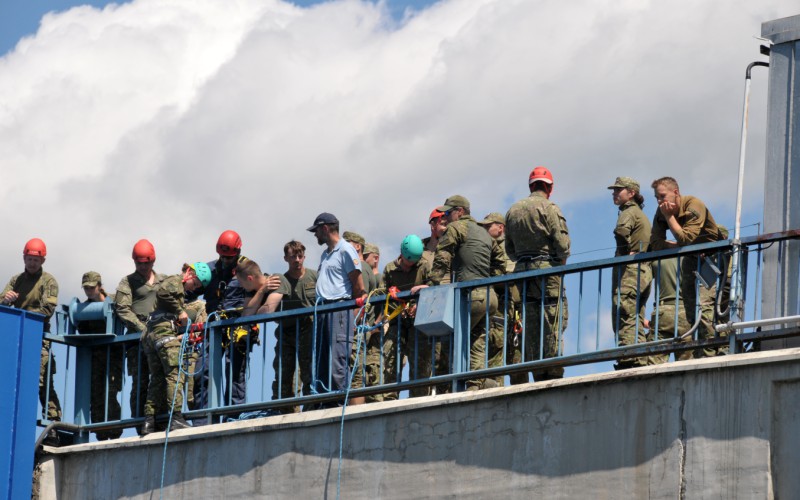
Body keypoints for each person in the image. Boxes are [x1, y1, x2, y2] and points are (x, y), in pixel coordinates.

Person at [425, 195, 506, 390]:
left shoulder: (457, 227)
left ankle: (451, 387)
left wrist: (431, 285)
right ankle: (474, 384)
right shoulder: (484, 232)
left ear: (460, 212)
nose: (445, 217)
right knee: (478, 339)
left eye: (448, 212)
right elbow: (501, 264)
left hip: (469, 295)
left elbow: (443, 257)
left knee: (452, 340)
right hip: (489, 297)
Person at [505, 166, 570, 381]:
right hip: (547, 273)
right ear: (549, 187)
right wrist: (559, 260)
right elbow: (562, 246)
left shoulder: (513, 210)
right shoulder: (549, 207)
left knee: (530, 324)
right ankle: (552, 372)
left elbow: (510, 250)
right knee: (552, 321)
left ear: (531, 186)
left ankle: (537, 371)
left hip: (523, 273)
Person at [649, 177, 726, 358]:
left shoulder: (693, 204)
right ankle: (700, 351)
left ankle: (713, 352)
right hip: (692, 258)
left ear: (675, 193)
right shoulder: (662, 211)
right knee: (691, 308)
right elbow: (656, 243)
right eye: (656, 198)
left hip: (712, 258)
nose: (660, 201)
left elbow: (686, 239)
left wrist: (670, 218)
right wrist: (678, 247)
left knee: (706, 308)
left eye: (662, 196)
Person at [140, 262, 211, 436]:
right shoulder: (175, 281)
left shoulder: (176, 286)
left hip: (151, 333)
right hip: (163, 330)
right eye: (194, 284)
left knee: (157, 378)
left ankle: (149, 421)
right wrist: (181, 311)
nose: (192, 289)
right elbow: (162, 292)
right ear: (190, 275)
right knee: (175, 374)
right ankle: (176, 417)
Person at [2, 238, 61, 442]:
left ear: (42, 260)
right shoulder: (16, 280)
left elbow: (48, 309)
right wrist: (5, 300)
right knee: (11, 381)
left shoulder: (48, 282)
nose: (32, 263)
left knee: (42, 382)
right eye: (29, 259)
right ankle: (11, 421)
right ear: (24, 258)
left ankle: (53, 425)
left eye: (36, 259)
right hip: (16, 337)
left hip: (37, 338)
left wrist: (23, 313)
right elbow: (1, 302)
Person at [193, 230, 253, 424]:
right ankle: (202, 419)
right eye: (223, 256)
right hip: (213, 329)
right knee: (203, 370)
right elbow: (189, 291)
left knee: (235, 371)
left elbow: (262, 285)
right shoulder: (209, 271)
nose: (226, 260)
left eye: (230, 257)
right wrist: (186, 281)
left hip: (237, 329)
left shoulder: (247, 269)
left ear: (238, 252)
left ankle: (233, 417)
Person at [307, 213, 366, 404]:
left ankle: (339, 404)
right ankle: (325, 403)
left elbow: (359, 287)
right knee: (322, 362)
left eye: (316, 231)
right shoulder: (326, 254)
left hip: (339, 308)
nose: (315, 235)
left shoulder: (345, 250)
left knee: (337, 361)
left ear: (325, 228)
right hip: (324, 310)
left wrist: (352, 316)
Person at [366, 234, 432, 401]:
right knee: (391, 361)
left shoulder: (424, 266)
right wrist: (389, 295)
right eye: (408, 262)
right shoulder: (390, 269)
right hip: (396, 322)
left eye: (413, 263)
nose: (410, 266)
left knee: (420, 364)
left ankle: (419, 400)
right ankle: (390, 399)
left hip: (418, 323)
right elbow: (380, 295)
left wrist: (421, 297)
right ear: (402, 255)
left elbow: (434, 286)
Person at [237, 259, 301, 413]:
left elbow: (265, 312)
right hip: (286, 332)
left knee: (301, 376)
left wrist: (259, 299)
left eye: (242, 282)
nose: (241, 286)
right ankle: (284, 412)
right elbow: (246, 315)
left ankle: (311, 408)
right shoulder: (254, 290)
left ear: (250, 279)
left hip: (304, 329)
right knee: (282, 376)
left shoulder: (276, 279)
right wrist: (261, 291)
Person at [115, 239, 167, 428]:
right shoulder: (128, 282)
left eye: (146, 263)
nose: (143, 267)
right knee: (140, 381)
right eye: (139, 263)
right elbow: (123, 309)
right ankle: (140, 422)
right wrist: (142, 328)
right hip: (138, 340)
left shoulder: (164, 280)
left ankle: (161, 420)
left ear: (153, 261)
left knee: (161, 378)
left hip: (161, 335)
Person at [608, 177, 653, 369]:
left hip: (631, 270)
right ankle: (639, 357)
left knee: (624, 311)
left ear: (631, 193)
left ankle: (628, 358)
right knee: (635, 313)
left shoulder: (629, 212)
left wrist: (624, 253)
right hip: (644, 271)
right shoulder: (641, 214)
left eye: (619, 190)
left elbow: (620, 231)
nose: (614, 193)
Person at [477, 212, 524, 385]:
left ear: (500, 228)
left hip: (508, 307)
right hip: (491, 308)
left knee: (514, 354)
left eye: (488, 226)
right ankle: (495, 389)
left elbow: (510, 275)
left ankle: (518, 393)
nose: (485, 229)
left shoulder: (510, 249)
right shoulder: (484, 247)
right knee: (492, 351)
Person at [76, 271, 123, 440]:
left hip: (113, 356)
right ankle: (100, 433)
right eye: (86, 288)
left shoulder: (114, 302)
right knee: (95, 394)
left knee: (111, 392)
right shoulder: (84, 308)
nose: (89, 291)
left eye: (91, 287)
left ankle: (114, 430)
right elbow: (82, 330)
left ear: (99, 286)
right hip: (95, 357)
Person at [421, 208, 452, 393]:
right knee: (425, 358)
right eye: (442, 223)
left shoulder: (453, 245)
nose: (445, 226)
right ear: (432, 224)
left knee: (445, 357)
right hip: (427, 306)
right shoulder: (421, 249)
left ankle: (444, 394)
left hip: (448, 304)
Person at [647, 257, 693, 364]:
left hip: (662, 312)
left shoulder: (658, 259)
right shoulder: (690, 257)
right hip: (686, 312)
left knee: (655, 362)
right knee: (687, 364)